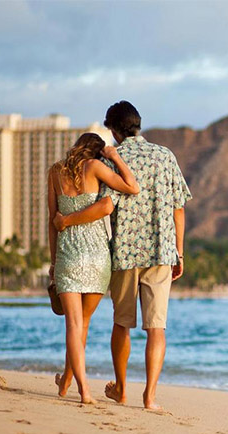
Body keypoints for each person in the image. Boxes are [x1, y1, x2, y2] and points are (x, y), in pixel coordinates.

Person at [53, 101, 192, 410]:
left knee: (122, 324)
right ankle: (150, 396)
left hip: (124, 253)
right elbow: (178, 207)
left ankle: (123, 389)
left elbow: (104, 205)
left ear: (113, 130)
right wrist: (179, 252)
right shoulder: (165, 155)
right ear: (137, 124)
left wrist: (66, 221)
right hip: (160, 251)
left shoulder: (113, 159)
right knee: (157, 327)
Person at [48, 132, 139, 404]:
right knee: (82, 325)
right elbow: (132, 187)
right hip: (98, 256)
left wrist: (54, 262)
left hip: (68, 255)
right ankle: (72, 384)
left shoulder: (55, 172)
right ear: (97, 152)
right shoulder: (96, 167)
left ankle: (78, 387)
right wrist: (114, 157)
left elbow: (53, 222)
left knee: (74, 326)